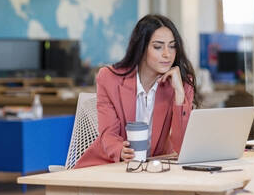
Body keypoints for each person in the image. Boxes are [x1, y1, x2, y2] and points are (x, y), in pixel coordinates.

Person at [74, 14, 198, 168]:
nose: (167, 54)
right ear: (141, 48)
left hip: (152, 169)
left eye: (172, 46)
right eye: (158, 47)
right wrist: (121, 150)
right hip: (107, 165)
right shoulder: (109, 78)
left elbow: (183, 146)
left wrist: (180, 94)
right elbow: (108, 134)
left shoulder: (181, 83)